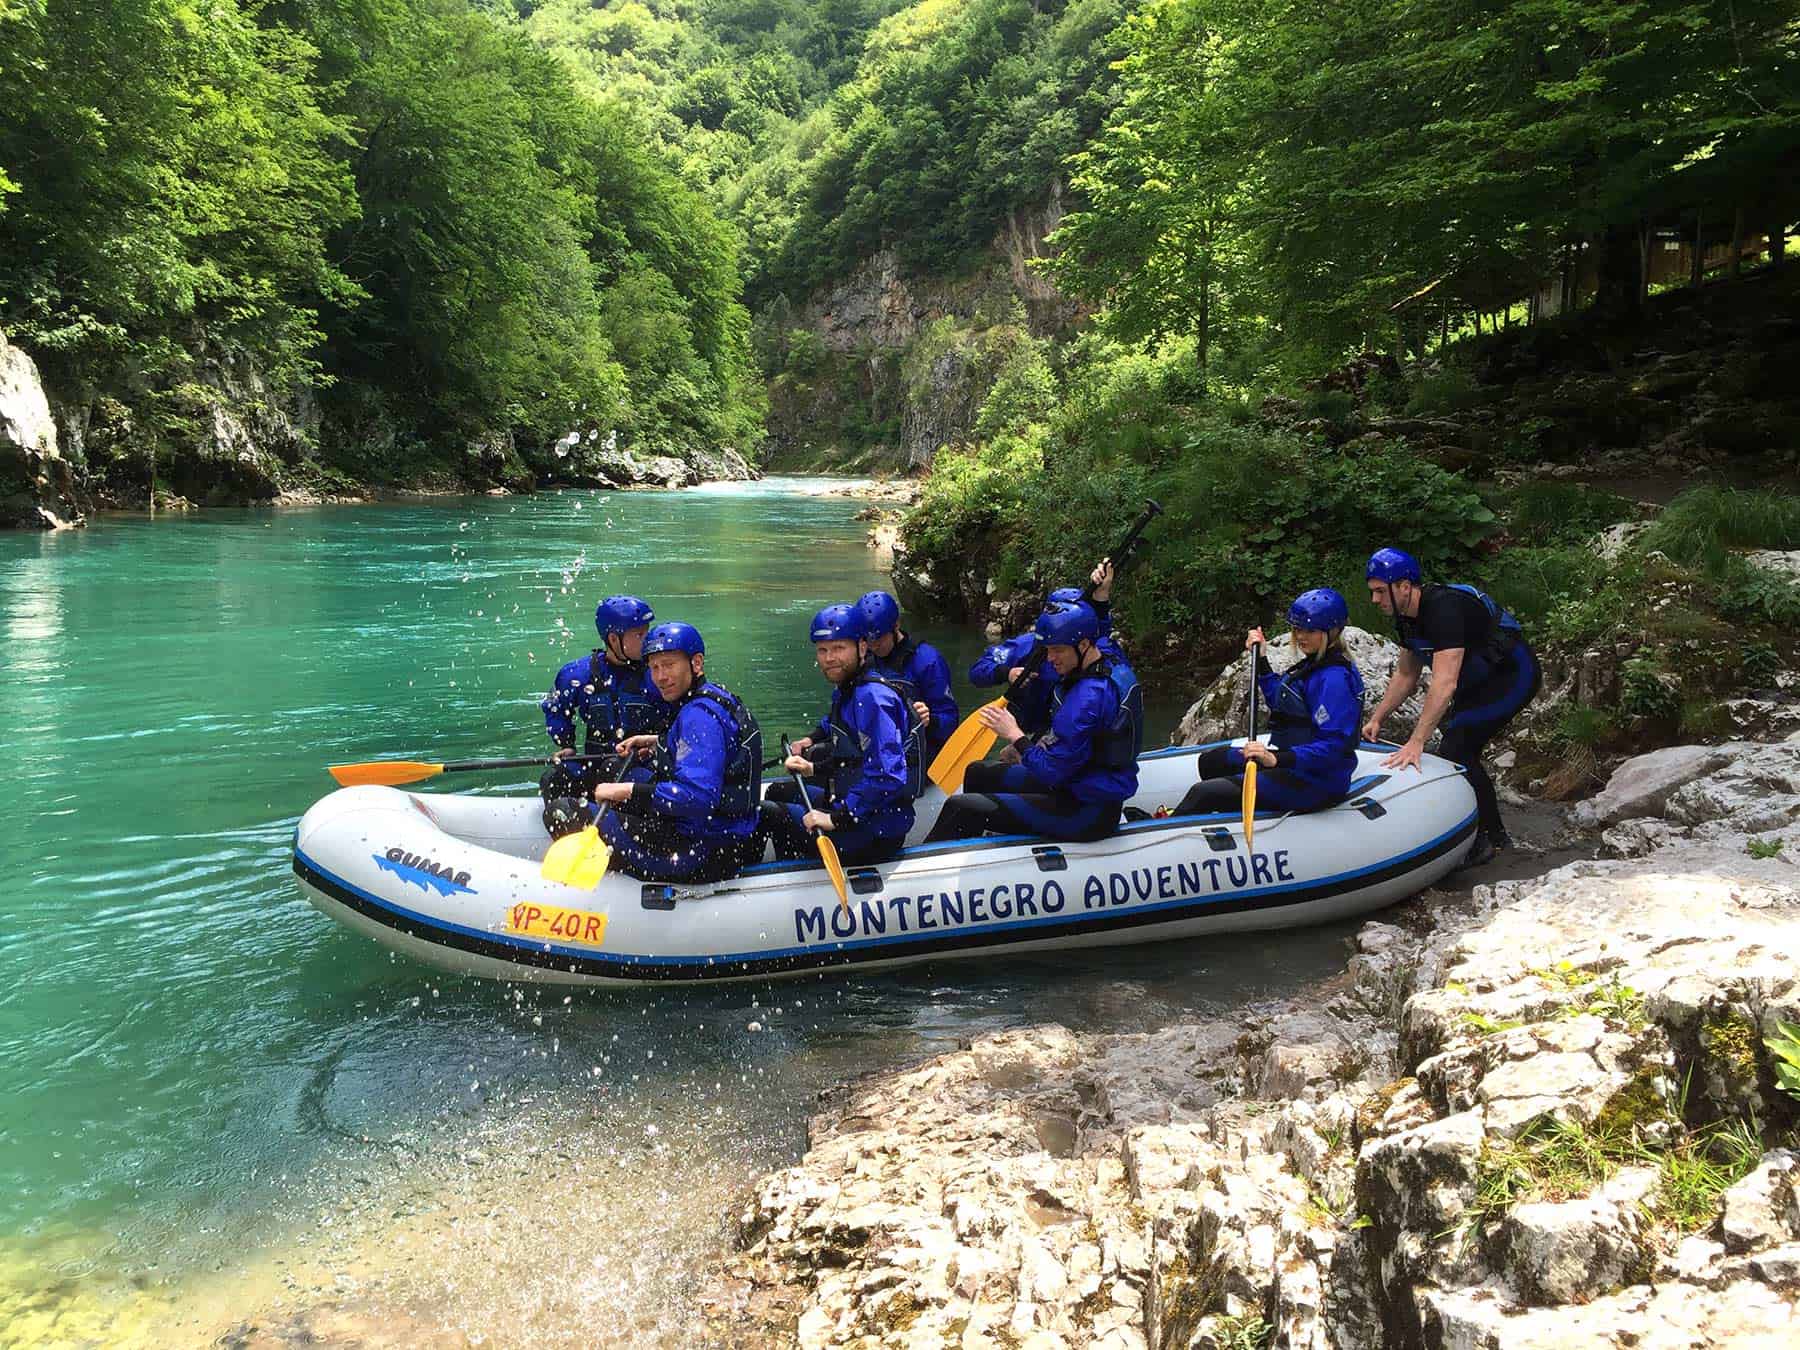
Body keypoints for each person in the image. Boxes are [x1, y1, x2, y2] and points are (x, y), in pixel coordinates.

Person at [1360, 547, 1541, 866]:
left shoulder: (1444, 610)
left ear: (1405, 586)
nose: (1375, 600)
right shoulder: (1406, 619)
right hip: (1477, 680)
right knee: (1456, 743)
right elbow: (1406, 674)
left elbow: (1444, 683)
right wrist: (1377, 718)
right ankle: (1478, 826)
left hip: (1512, 676)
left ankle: (1492, 839)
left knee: (1457, 750)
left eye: (1380, 591)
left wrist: (1416, 741)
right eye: (1372, 592)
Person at [923, 600, 1142, 844]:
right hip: (1076, 782)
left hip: (1086, 810)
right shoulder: (1110, 660)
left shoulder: (1088, 699)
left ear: (1083, 645)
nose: (1050, 658)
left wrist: (1014, 735)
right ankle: (982, 848)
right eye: (1047, 649)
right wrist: (1100, 600)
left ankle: (924, 865)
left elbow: (1051, 772)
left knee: (962, 807)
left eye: (1057, 650)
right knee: (977, 772)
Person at [587, 622, 763, 883]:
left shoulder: (699, 717)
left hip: (702, 850)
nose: (660, 677)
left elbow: (700, 798)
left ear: (696, 663)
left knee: (565, 811)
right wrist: (657, 742)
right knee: (613, 768)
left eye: (669, 665)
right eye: (654, 668)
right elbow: (705, 748)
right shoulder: (711, 696)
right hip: (722, 833)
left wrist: (628, 791)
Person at [1173, 589, 1365, 816]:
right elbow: (1283, 704)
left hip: (1317, 780)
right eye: (1297, 629)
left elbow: (1334, 746)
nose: (1301, 636)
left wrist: (1275, 758)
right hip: (1296, 764)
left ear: (1331, 631)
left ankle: (1172, 828)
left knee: (1203, 794)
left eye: (1310, 630)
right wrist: (1262, 658)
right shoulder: (1314, 664)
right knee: (1211, 761)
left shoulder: (1334, 680)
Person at [761, 604, 922, 866]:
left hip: (871, 831)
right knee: (777, 791)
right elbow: (852, 758)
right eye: (822, 650)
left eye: (838, 648)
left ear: (862, 647)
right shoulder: (848, 689)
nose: (829, 658)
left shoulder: (873, 698)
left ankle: (792, 877)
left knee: (769, 814)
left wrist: (836, 818)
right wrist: (813, 769)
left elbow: (888, 776)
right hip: (852, 806)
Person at [539, 594, 667, 837]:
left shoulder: (657, 674)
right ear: (613, 639)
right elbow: (555, 708)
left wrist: (656, 745)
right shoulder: (577, 674)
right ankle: (568, 833)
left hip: (641, 767)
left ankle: (623, 834)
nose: (648, 639)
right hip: (595, 763)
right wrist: (566, 744)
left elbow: (678, 720)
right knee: (554, 777)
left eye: (647, 632)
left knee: (615, 768)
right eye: (639, 635)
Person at [967, 561, 1131, 738]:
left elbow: (1102, 632)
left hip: (1067, 729)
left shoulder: (1089, 646)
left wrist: (1102, 595)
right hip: (1035, 729)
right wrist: (1007, 673)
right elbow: (977, 671)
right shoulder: (1027, 645)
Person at [855, 590, 959, 761]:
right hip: (875, 752)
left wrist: (930, 720)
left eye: (879, 639)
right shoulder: (862, 660)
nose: (873, 646)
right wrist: (815, 736)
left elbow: (950, 721)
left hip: (917, 757)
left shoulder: (927, 660)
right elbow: (842, 710)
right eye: (867, 640)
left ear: (896, 626)